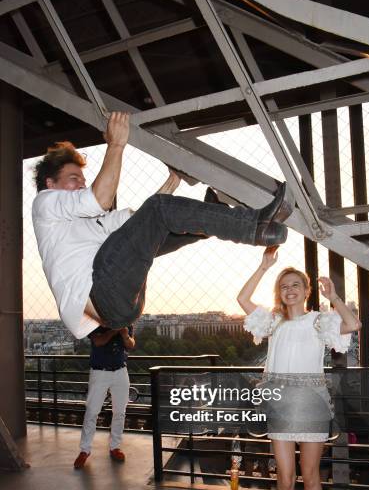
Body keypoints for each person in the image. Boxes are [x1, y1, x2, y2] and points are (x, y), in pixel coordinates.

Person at [32, 112, 294, 341]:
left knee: (158, 224)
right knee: (159, 209)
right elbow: (101, 199)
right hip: (103, 293)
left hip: (122, 305)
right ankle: (254, 226)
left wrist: (173, 180)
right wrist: (116, 144)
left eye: (82, 179)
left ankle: (217, 213)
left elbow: (142, 220)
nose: (81, 184)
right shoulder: (44, 204)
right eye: (74, 178)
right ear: (51, 183)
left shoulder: (92, 225)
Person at [237, 246, 361, 490]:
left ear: (306, 291)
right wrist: (264, 267)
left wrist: (334, 297)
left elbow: (353, 323)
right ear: (280, 292)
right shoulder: (273, 322)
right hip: (280, 403)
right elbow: (243, 298)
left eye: (296, 285)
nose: (290, 290)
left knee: (311, 477)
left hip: (311, 403)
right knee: (285, 479)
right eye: (284, 285)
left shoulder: (320, 321)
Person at [74, 325, 135, 469]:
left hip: (120, 371)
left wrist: (125, 335)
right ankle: (85, 450)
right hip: (100, 372)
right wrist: (115, 330)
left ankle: (115, 446)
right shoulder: (95, 321)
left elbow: (131, 344)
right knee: (92, 411)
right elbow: (98, 341)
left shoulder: (126, 321)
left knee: (120, 411)